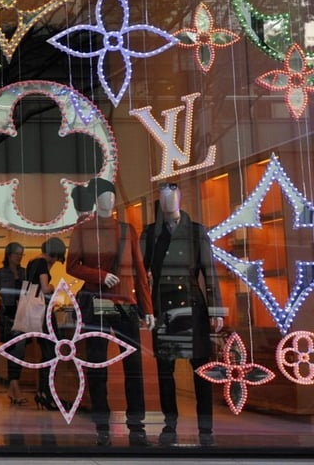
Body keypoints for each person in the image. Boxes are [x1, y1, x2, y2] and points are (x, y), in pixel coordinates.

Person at [66, 177, 155, 447]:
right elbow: (72, 265)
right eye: (104, 195)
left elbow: (139, 272)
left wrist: (147, 307)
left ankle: (136, 424)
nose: (110, 199)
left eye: (112, 195)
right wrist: (100, 275)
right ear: (96, 199)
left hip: (125, 304)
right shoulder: (83, 230)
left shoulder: (127, 230)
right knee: (96, 363)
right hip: (97, 301)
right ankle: (101, 423)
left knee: (133, 365)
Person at [141, 181, 224, 447]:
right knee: (165, 371)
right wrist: (145, 308)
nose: (168, 201)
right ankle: (170, 423)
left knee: (201, 370)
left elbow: (209, 272)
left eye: (172, 196)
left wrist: (215, 309)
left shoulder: (196, 232)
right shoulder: (151, 234)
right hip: (163, 307)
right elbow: (141, 276)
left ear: (179, 199)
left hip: (192, 305)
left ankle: (206, 428)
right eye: (163, 197)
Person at [24, 237, 66, 411]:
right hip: (44, 314)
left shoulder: (32, 263)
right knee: (52, 354)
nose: (56, 262)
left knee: (46, 354)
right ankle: (47, 394)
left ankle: (42, 393)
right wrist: (54, 286)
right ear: (53, 253)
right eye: (57, 258)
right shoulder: (42, 263)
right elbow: (44, 287)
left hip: (35, 313)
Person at [0, 241, 26, 405]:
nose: (19, 257)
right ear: (9, 255)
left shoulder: (25, 272)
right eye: (17, 253)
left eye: (21, 253)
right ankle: (15, 387)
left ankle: (13, 387)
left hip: (22, 315)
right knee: (12, 350)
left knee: (20, 351)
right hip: (7, 316)